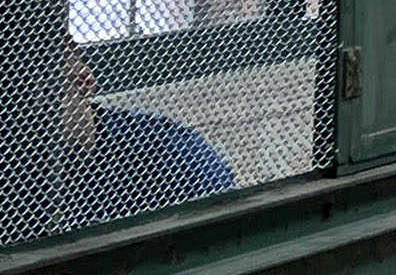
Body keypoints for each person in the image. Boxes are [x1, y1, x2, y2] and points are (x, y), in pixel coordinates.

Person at [0, 23, 235, 245]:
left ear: (83, 82)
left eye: (30, 96)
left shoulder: (164, 150)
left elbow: (229, 227)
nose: (17, 117)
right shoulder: (16, 181)